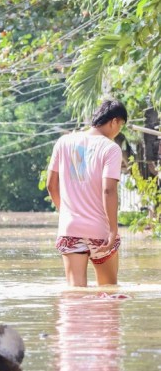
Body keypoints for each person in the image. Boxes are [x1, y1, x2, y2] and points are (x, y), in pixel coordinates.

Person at [46, 99, 127, 287]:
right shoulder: (111, 148)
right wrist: (113, 230)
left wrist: (66, 213)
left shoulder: (64, 142)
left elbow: (51, 185)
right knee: (108, 292)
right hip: (99, 230)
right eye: (120, 126)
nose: (118, 131)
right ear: (114, 121)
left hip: (70, 228)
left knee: (75, 293)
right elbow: (108, 190)